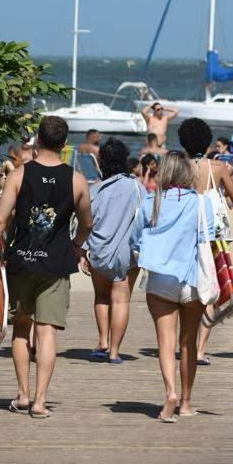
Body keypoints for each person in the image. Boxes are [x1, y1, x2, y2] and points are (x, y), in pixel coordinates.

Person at [0, 116, 93, 419]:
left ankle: (22, 394)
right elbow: (86, 223)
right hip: (55, 264)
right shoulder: (77, 180)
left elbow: (0, 220)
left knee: (21, 327)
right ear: (64, 144)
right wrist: (76, 245)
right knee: (48, 332)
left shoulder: (19, 175)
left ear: (38, 141)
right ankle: (41, 401)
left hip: (21, 261)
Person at [129, 151, 215, 422]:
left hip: (160, 281)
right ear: (188, 174)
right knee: (188, 341)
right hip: (192, 280)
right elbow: (209, 240)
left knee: (165, 343)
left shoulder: (151, 202)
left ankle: (170, 394)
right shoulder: (202, 204)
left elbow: (134, 240)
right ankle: (187, 403)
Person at [177, 118, 233, 367]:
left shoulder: (179, 168)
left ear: (183, 141)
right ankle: (200, 350)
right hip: (212, 237)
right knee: (210, 290)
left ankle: (185, 341)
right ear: (207, 141)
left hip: (185, 234)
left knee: (187, 287)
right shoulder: (219, 168)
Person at [83, 138, 146, 364]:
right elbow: (146, 217)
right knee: (121, 300)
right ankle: (115, 351)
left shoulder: (95, 190)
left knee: (101, 295)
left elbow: (85, 222)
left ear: (101, 162)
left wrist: (82, 250)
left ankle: (102, 342)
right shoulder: (136, 187)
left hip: (99, 250)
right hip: (127, 253)